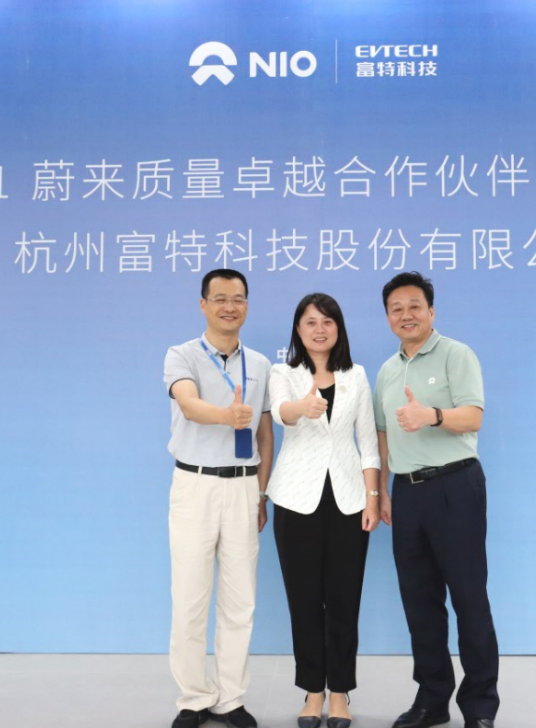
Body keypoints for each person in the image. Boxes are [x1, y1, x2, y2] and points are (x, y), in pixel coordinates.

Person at [372, 272, 499, 728]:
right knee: (420, 601)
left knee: (468, 596)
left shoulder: (455, 354)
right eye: (396, 309)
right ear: (388, 317)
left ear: (431, 311)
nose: (406, 315)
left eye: (414, 306)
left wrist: (432, 415)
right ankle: (432, 699)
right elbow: (382, 435)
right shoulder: (387, 371)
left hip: (455, 486)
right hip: (407, 493)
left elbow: (473, 417)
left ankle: (480, 706)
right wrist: (382, 491)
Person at [163, 269, 274, 728]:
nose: (230, 307)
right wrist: (227, 416)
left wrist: (261, 493)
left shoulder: (261, 364)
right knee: (190, 597)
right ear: (203, 304)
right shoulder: (181, 355)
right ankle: (193, 698)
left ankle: (230, 698)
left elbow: (265, 433)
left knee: (240, 598)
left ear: (247, 305)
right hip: (196, 485)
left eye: (239, 299)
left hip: (244, 487)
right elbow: (188, 405)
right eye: (221, 298)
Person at [267, 293, 382, 728]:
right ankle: (312, 691)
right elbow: (282, 413)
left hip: (349, 501)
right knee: (303, 601)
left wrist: (372, 498)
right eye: (311, 322)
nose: (319, 329)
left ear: (339, 328)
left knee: (344, 600)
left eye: (328, 321)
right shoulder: (283, 373)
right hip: (296, 500)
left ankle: (340, 693)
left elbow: (368, 442)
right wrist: (304, 406)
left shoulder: (357, 375)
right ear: (298, 330)